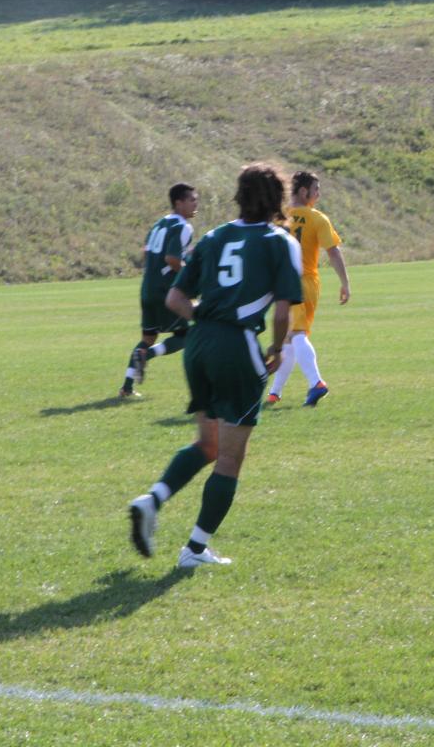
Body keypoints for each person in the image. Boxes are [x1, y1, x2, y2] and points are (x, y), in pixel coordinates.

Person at [128, 162, 303, 568]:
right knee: (229, 457)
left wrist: (206, 324)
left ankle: (151, 499)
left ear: (239, 196)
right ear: (278, 197)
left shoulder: (214, 236)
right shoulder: (280, 241)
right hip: (237, 345)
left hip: (198, 345)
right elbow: (282, 310)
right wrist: (276, 348)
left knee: (207, 443)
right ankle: (194, 549)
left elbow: (175, 300)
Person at [265, 171, 351, 407]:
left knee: (294, 336)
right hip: (307, 282)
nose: (318, 194)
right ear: (304, 192)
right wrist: (345, 282)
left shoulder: (278, 218)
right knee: (292, 339)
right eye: (316, 189)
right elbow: (332, 251)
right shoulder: (316, 218)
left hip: (286, 284)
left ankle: (315, 384)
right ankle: (277, 391)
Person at [119, 183, 199, 398]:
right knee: (185, 334)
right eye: (192, 199)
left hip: (147, 288)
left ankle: (126, 388)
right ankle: (148, 355)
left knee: (148, 336)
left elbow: (147, 252)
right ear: (178, 203)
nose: (195, 204)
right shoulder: (183, 227)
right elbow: (172, 258)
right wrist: (188, 281)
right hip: (166, 291)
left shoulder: (159, 223)